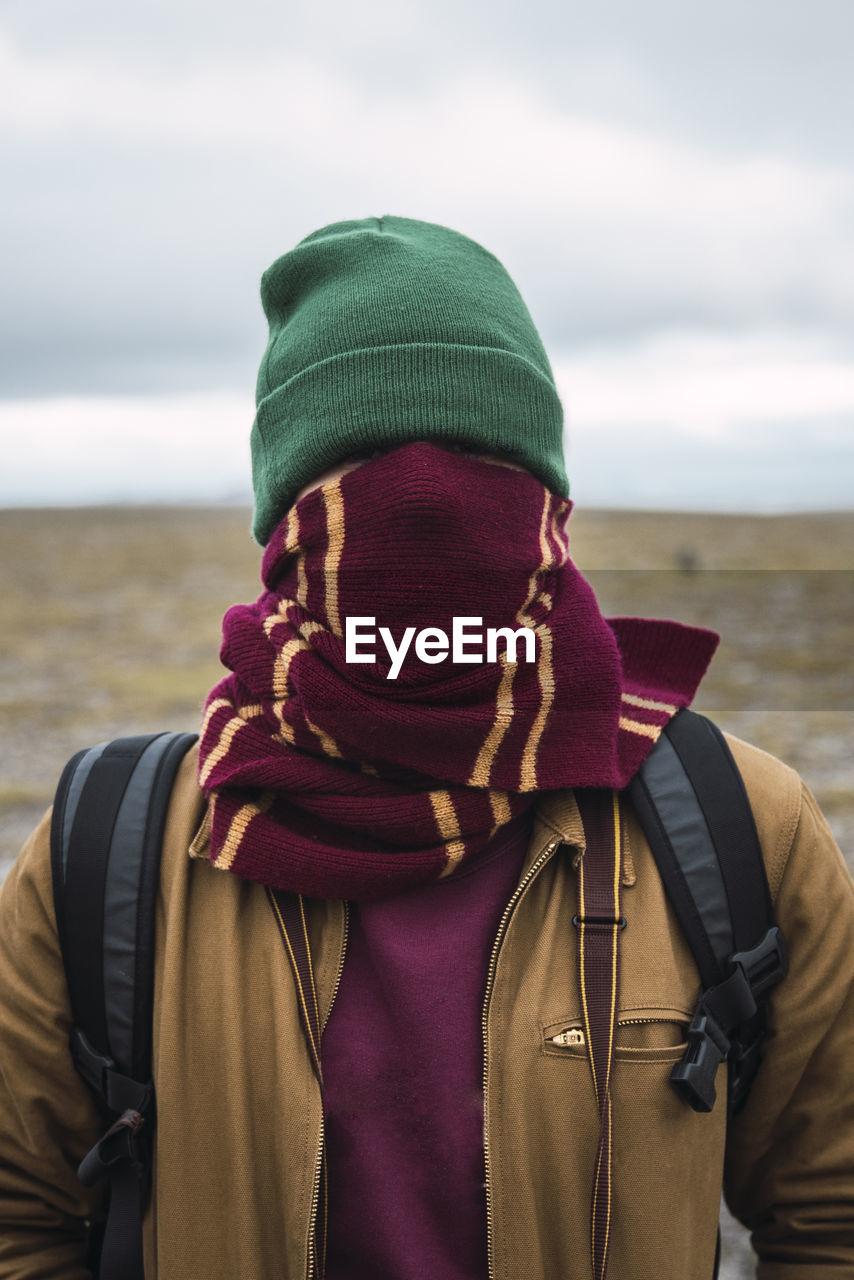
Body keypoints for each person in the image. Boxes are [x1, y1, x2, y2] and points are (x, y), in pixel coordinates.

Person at [0, 215, 852, 1279]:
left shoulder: (736, 827)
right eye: (358, 460)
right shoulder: (110, 851)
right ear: (282, 519)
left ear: (546, 499)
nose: (421, 497)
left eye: (475, 454)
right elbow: (21, 1218)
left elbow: (829, 1215)